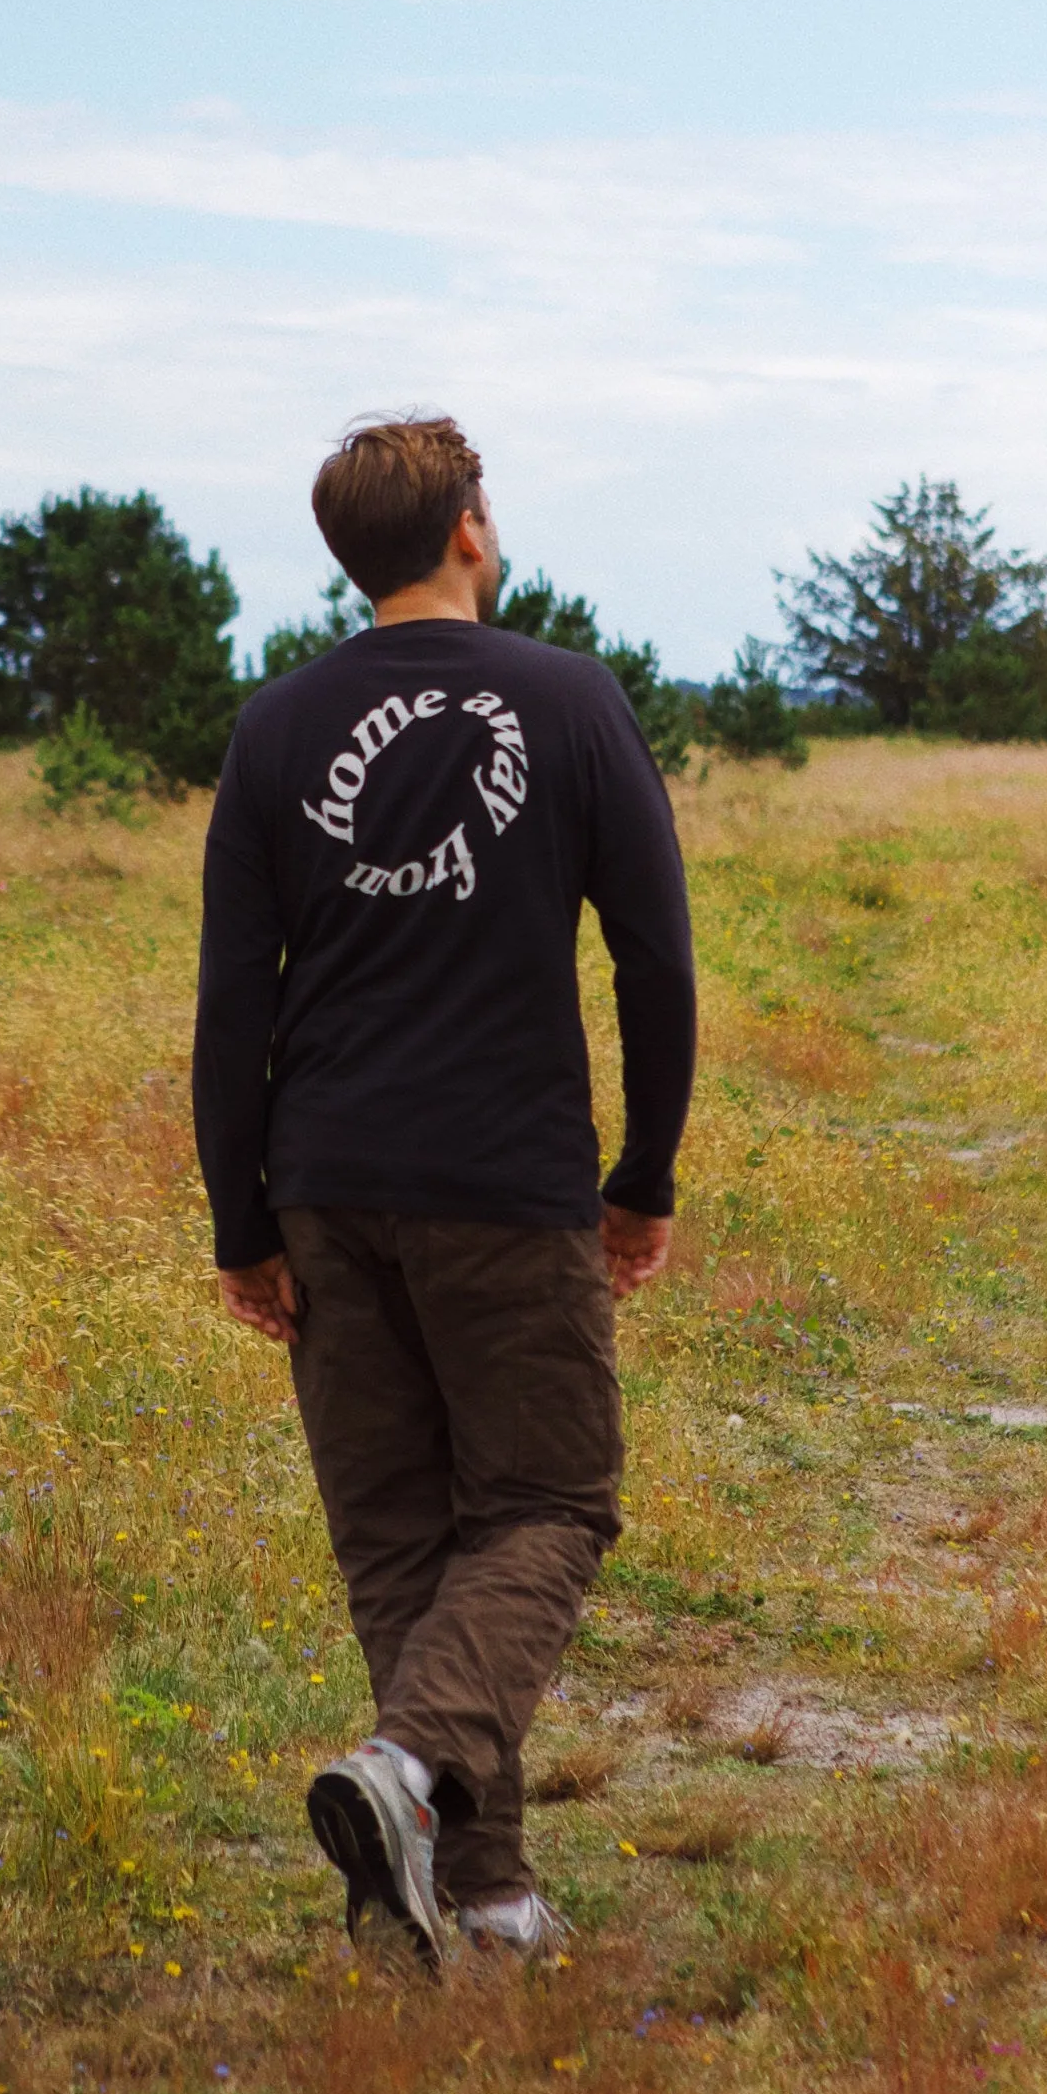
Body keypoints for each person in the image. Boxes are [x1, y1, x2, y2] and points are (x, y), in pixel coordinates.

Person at [192, 415, 696, 1967]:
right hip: (503, 1178)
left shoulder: (278, 729)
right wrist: (645, 1175)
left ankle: (479, 1897)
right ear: (470, 528)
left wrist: (243, 1219)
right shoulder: (569, 699)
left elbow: (232, 1000)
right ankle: (414, 1780)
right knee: (547, 1503)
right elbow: (656, 960)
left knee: (406, 1540)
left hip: (329, 1186)